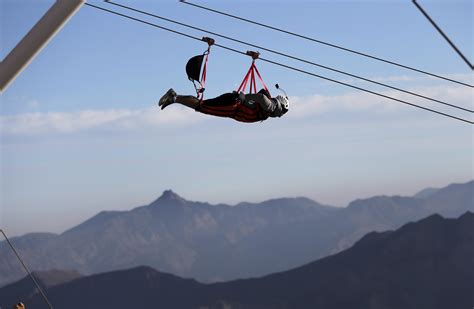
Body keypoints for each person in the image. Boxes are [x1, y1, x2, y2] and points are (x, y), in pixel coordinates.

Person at [158, 88, 289, 123]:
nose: (279, 115)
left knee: (202, 105)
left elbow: (260, 99)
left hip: (232, 105)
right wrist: (245, 98)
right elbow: (260, 97)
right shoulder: (272, 108)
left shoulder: (269, 109)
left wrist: (244, 99)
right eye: (282, 113)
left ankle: (174, 97)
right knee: (202, 106)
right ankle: (173, 97)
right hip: (232, 105)